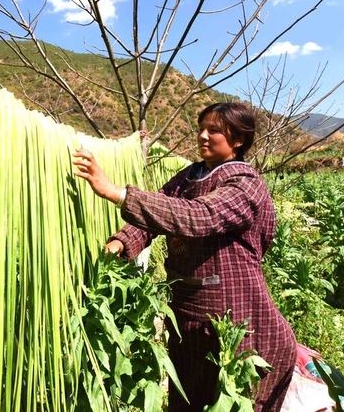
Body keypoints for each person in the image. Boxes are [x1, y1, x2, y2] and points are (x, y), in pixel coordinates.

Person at [73, 102, 297, 412]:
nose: (203, 136)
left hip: (238, 320)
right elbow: (159, 211)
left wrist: (118, 193)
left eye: (214, 131)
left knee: (233, 398)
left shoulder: (245, 184)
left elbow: (200, 216)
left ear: (238, 140)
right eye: (201, 128)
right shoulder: (190, 176)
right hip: (187, 317)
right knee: (188, 399)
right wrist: (122, 242)